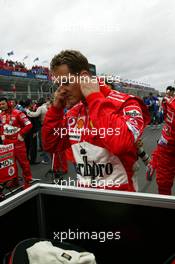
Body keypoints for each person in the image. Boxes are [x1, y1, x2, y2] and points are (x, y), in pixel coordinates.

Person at [42, 50, 150, 191]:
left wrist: (94, 98)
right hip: (86, 197)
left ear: (84, 78)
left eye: (66, 83)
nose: (61, 91)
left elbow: (120, 145)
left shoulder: (126, 103)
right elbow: (51, 145)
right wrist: (55, 110)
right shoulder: (75, 112)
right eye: (58, 85)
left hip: (121, 200)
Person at [146, 86, 175, 195]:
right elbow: (164, 140)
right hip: (167, 148)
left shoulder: (168, 102)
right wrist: (154, 160)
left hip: (168, 148)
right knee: (163, 185)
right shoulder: (166, 103)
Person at [0, 97, 33, 189]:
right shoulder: (1, 114)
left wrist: (21, 134)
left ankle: (27, 181)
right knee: (11, 164)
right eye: (0, 104)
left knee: (24, 163)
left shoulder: (18, 113)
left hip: (18, 144)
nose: (1, 106)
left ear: (8, 103)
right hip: (7, 144)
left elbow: (29, 125)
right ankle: (15, 181)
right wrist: (2, 134)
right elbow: (1, 126)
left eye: (3, 104)